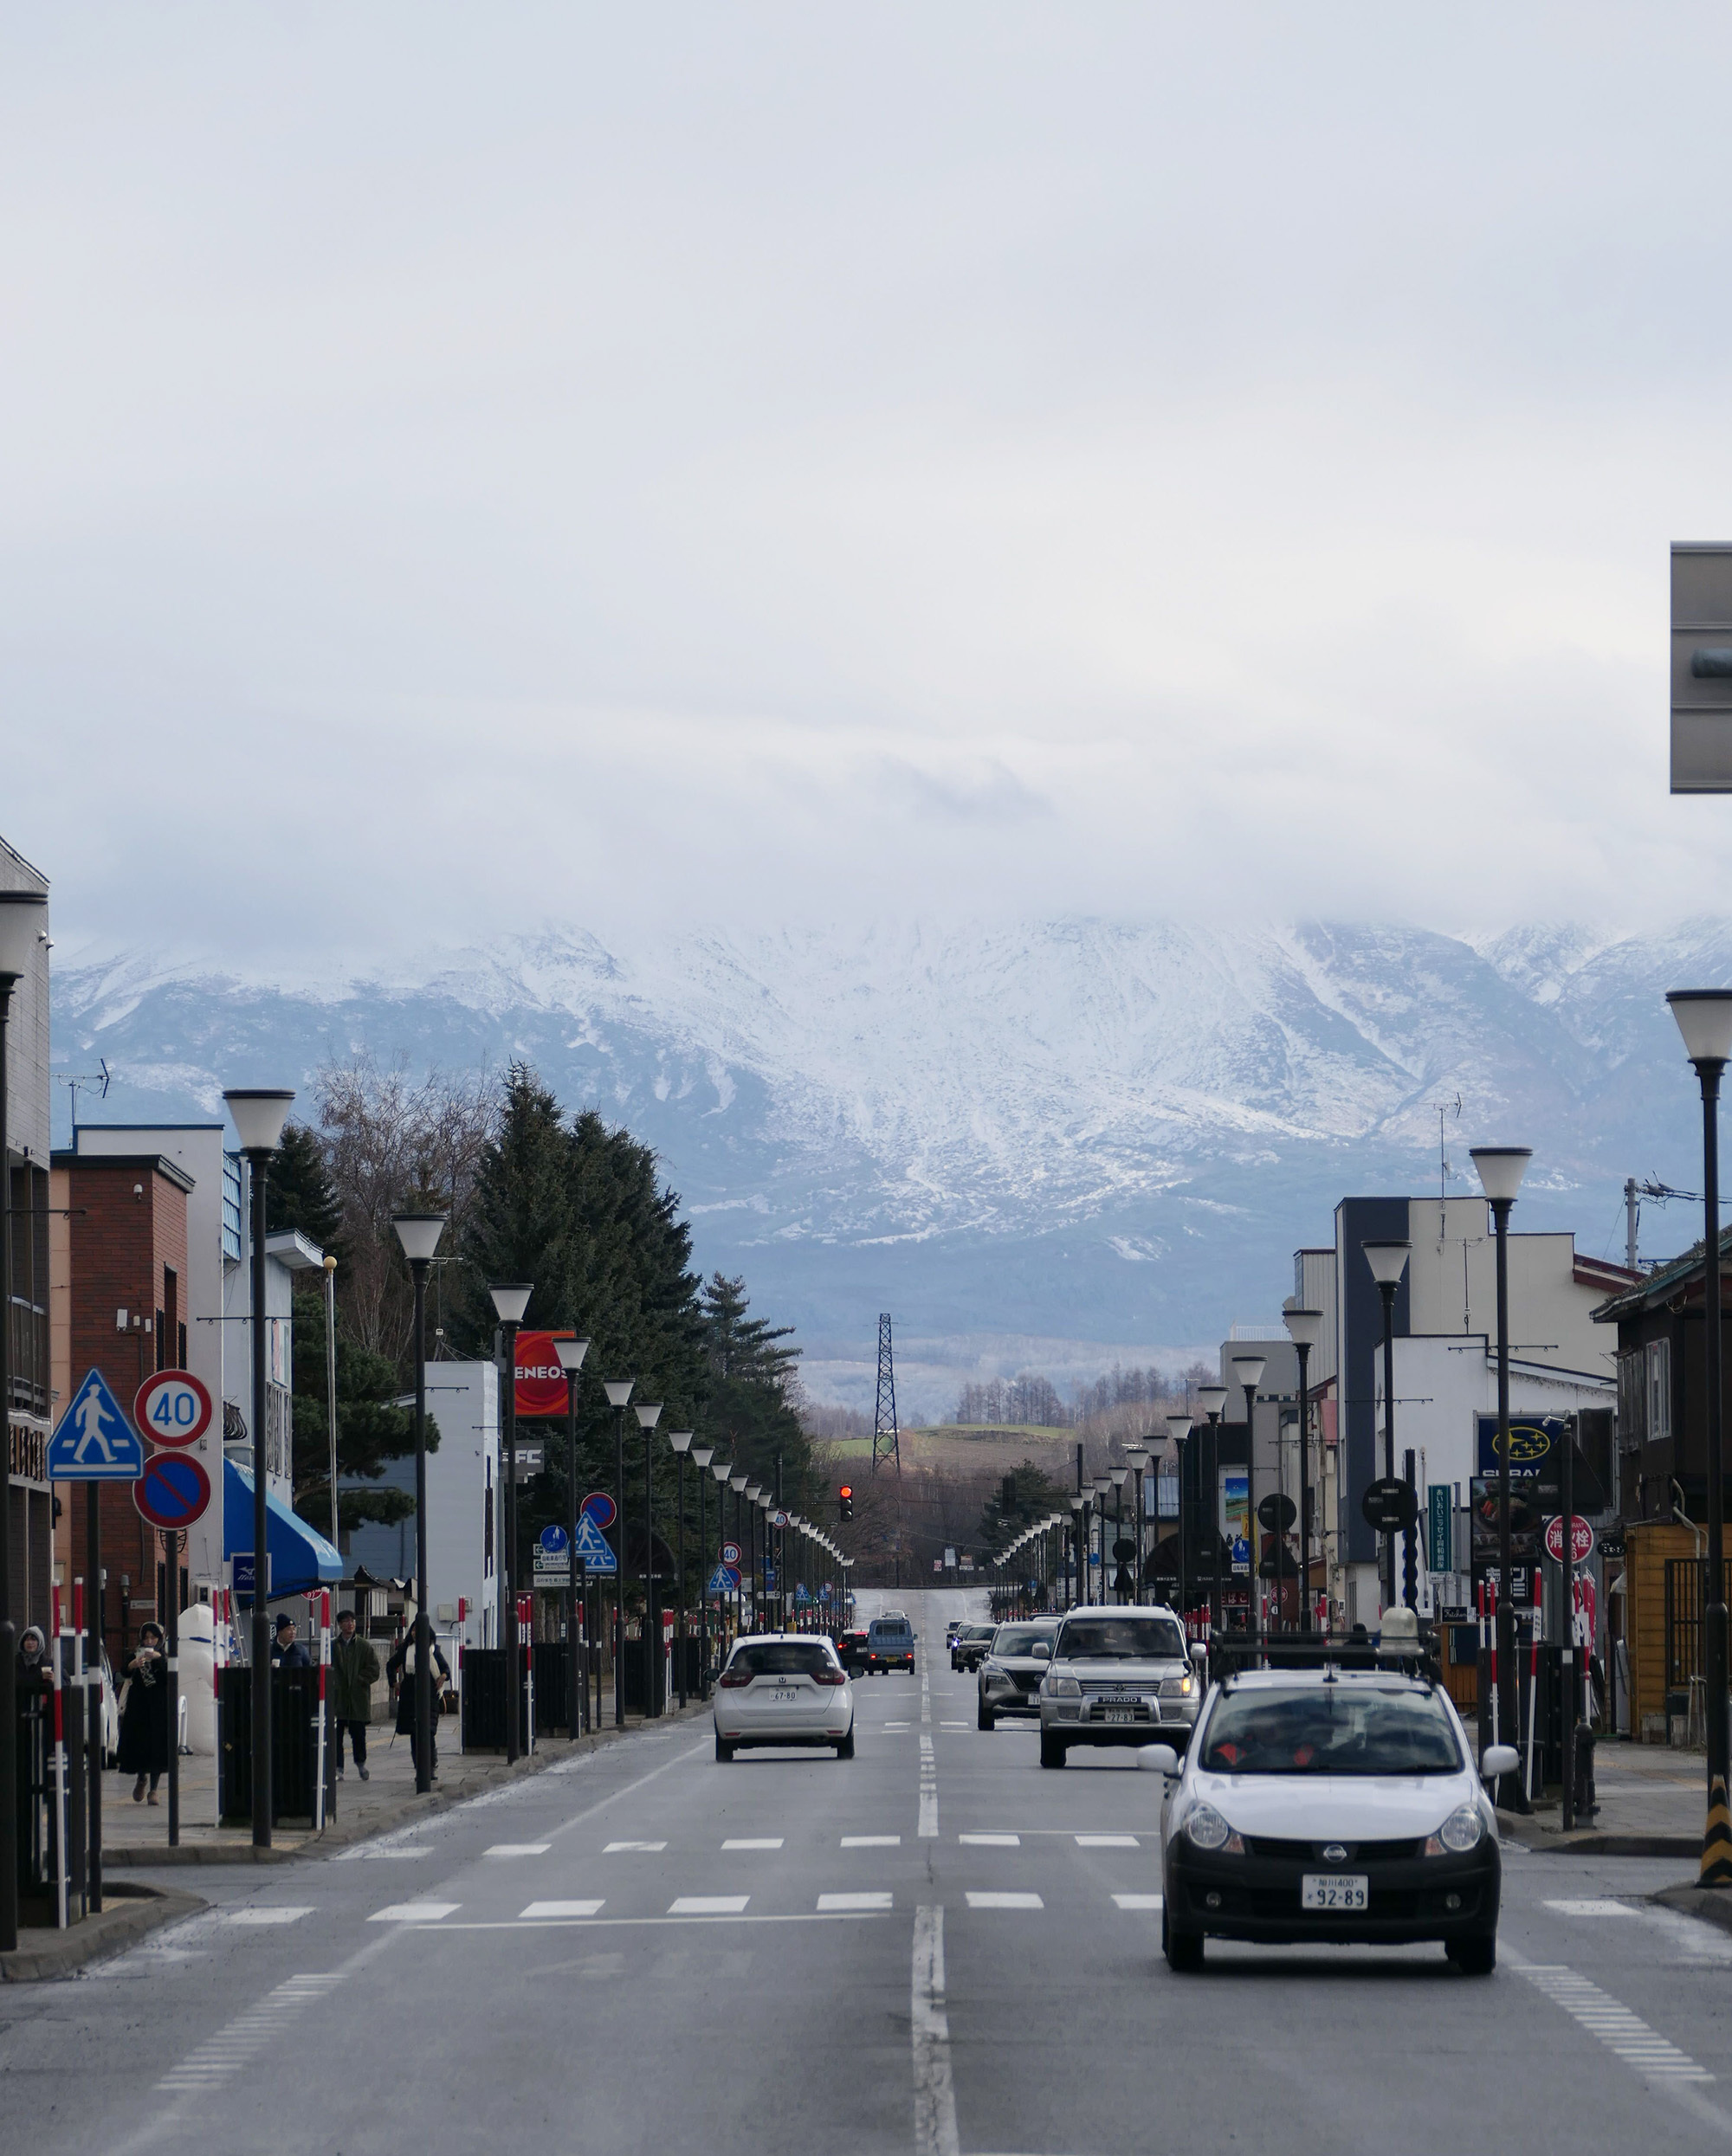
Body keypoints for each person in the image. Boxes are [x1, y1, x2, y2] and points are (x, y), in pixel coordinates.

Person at [386, 1622, 451, 1783]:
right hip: (410, 1695)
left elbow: (445, 1669)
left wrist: (443, 1677)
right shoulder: (405, 1649)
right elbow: (390, 1665)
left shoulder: (433, 1650)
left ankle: (430, 1767)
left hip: (430, 1694)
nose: (416, 1633)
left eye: (419, 1630)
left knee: (428, 1732)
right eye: (414, 1630)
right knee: (415, 1733)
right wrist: (394, 1683)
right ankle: (419, 1769)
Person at [118, 1622, 171, 1804]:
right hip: (139, 1706)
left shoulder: (164, 1656)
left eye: (153, 1638)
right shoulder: (135, 1654)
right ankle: (141, 1779)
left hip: (159, 1707)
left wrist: (158, 1658)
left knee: (157, 1746)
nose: (149, 1641)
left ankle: (154, 1790)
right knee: (141, 1744)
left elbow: (170, 1678)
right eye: (146, 1637)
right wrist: (133, 1665)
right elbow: (124, 1671)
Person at [331, 1606, 380, 1781]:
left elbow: (374, 1670)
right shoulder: (332, 1646)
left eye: (352, 1621)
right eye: (345, 1621)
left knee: (358, 1735)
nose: (349, 1624)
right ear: (339, 1625)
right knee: (335, 1736)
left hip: (358, 1698)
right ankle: (338, 1768)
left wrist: (360, 1680)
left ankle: (361, 1763)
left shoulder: (364, 1646)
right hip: (338, 1699)